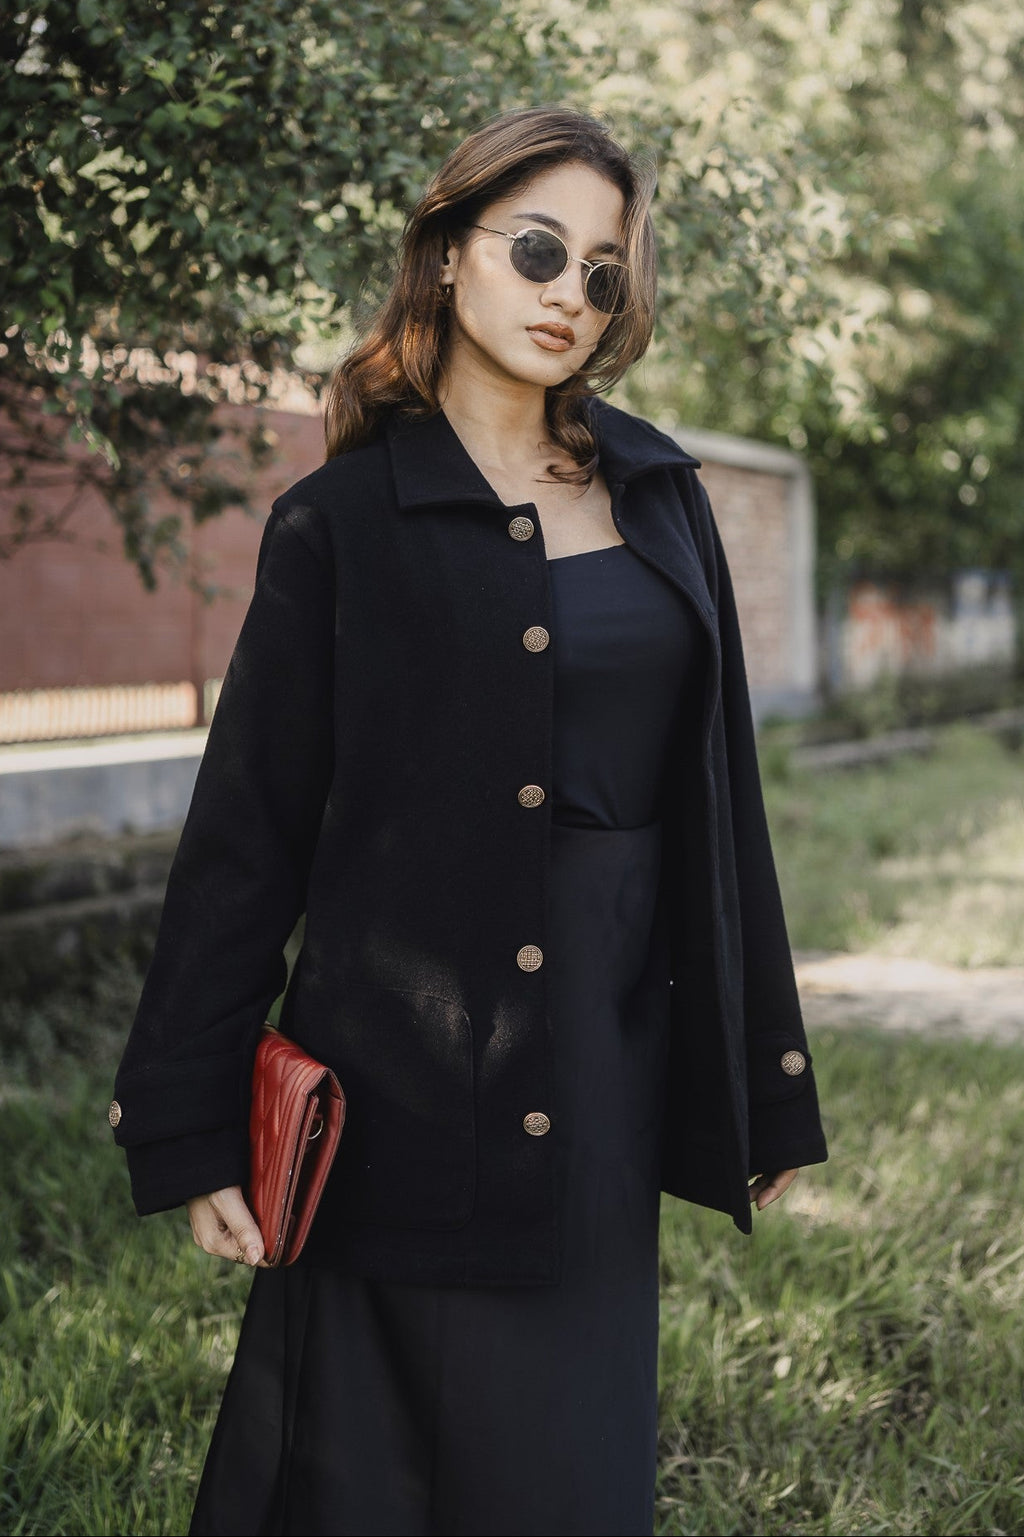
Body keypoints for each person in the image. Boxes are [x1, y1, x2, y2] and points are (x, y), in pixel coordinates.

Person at [110, 104, 828, 1537]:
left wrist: (763, 1064)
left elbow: (718, 803)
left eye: (604, 273)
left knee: (572, 1461)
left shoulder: (662, 496)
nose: (573, 293)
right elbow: (249, 828)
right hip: (404, 1082)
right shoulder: (340, 525)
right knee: (367, 1472)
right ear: (448, 255)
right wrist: (185, 1121)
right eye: (544, 250)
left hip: (609, 1067)